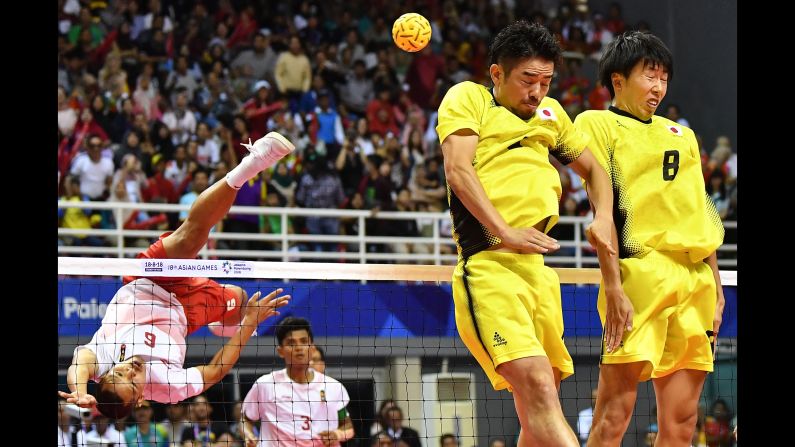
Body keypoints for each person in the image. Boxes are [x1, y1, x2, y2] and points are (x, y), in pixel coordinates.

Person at [437, 20, 617, 446]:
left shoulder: (551, 114)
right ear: (498, 74)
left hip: (539, 273)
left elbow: (595, 171)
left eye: (547, 80)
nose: (537, 91)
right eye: (528, 80)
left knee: (541, 405)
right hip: (489, 267)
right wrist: (504, 231)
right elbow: (458, 170)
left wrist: (604, 216)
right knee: (537, 385)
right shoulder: (470, 98)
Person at [58, 132, 297, 419]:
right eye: (133, 384)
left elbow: (79, 362)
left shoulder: (102, 359)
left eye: (120, 373)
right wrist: (248, 324)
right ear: (139, 401)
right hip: (186, 311)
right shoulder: (167, 389)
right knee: (240, 300)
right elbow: (214, 371)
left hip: (147, 284)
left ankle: (253, 162)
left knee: (190, 237)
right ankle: (226, 322)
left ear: (109, 373)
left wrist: (79, 389)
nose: (131, 371)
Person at [572, 31, 725, 446]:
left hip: (693, 279)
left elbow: (699, 208)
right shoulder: (595, 124)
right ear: (618, 81)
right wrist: (613, 285)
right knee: (613, 417)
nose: (658, 87)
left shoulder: (683, 136)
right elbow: (603, 213)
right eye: (648, 76)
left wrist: (715, 283)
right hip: (639, 274)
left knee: (682, 421)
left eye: (663, 78)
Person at [242, 317, 354, 446]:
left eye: (304, 341)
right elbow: (246, 419)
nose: (299, 347)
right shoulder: (265, 385)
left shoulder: (334, 387)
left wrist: (337, 434)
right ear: (280, 351)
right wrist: (249, 435)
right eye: (291, 343)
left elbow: (347, 426)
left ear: (312, 348)